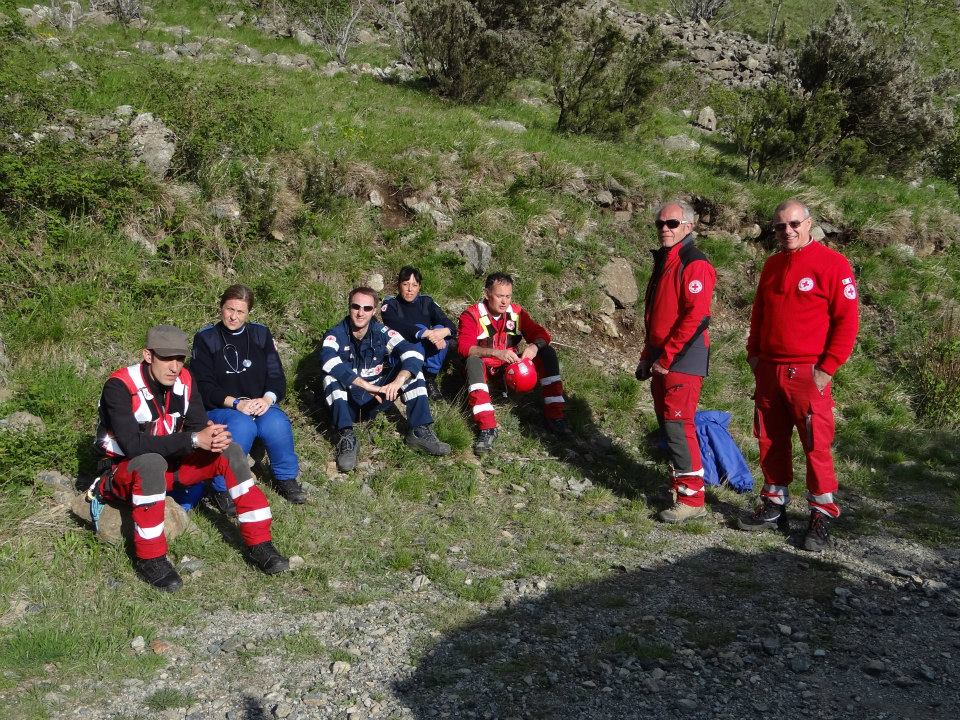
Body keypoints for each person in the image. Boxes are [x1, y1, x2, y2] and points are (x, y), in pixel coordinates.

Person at [92, 325, 289, 591]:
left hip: (173, 470)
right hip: (125, 473)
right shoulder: (120, 386)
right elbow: (132, 445)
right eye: (166, 358)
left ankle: (260, 543)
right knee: (151, 461)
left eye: (180, 359)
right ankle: (150, 558)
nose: (175, 367)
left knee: (229, 451)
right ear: (148, 355)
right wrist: (195, 440)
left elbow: (197, 426)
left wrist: (211, 437)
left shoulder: (185, 379)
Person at [738, 200, 859, 551]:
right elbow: (759, 313)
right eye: (780, 227)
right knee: (770, 440)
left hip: (808, 373)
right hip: (770, 372)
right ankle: (774, 505)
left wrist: (826, 368)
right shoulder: (772, 265)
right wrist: (755, 356)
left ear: (809, 224)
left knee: (815, 445)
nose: (787, 231)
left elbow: (847, 322)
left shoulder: (833, 264)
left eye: (794, 224)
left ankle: (821, 514)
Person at [182, 285, 306, 515]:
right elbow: (204, 387)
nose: (233, 316)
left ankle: (285, 477)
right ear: (221, 308)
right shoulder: (206, 338)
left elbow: (276, 376)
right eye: (229, 309)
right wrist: (237, 403)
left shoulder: (260, 334)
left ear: (248, 313)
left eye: (240, 312)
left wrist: (267, 400)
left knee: (276, 422)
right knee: (242, 425)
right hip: (223, 407)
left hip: (258, 403)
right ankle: (222, 487)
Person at [636, 201, 717, 524]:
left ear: (688, 227)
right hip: (663, 358)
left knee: (678, 425)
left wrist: (667, 357)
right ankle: (680, 489)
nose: (664, 229)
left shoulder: (693, 262)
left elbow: (696, 316)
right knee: (670, 426)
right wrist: (647, 355)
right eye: (660, 224)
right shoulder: (666, 261)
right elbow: (655, 316)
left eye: (672, 223)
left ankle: (692, 499)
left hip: (682, 359)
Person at [320, 286, 451, 472]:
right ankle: (346, 437)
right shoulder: (336, 334)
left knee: (413, 371)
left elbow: (412, 352)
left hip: (378, 399)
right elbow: (327, 359)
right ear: (349, 307)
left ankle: (419, 431)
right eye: (356, 307)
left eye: (367, 308)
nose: (360, 313)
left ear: (374, 311)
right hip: (348, 403)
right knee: (330, 376)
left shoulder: (382, 331)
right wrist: (366, 386)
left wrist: (398, 381)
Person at [458, 272, 570, 455]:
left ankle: (555, 415)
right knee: (472, 360)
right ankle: (487, 427)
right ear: (486, 294)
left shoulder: (516, 313)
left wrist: (534, 346)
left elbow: (543, 334)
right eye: (499, 296)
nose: (504, 302)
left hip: (509, 368)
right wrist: (495, 353)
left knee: (547, 352)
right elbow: (463, 348)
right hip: (483, 369)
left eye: (508, 296)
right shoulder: (471, 315)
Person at [380, 266, 457, 401]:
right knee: (422, 328)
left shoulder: (426, 302)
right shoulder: (390, 304)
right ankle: (408, 381)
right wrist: (424, 332)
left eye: (414, 285)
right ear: (399, 285)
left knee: (440, 328)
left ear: (419, 287)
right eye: (405, 284)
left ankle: (429, 377)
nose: (410, 289)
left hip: (426, 349)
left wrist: (442, 333)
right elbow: (396, 325)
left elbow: (447, 323)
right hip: (400, 353)